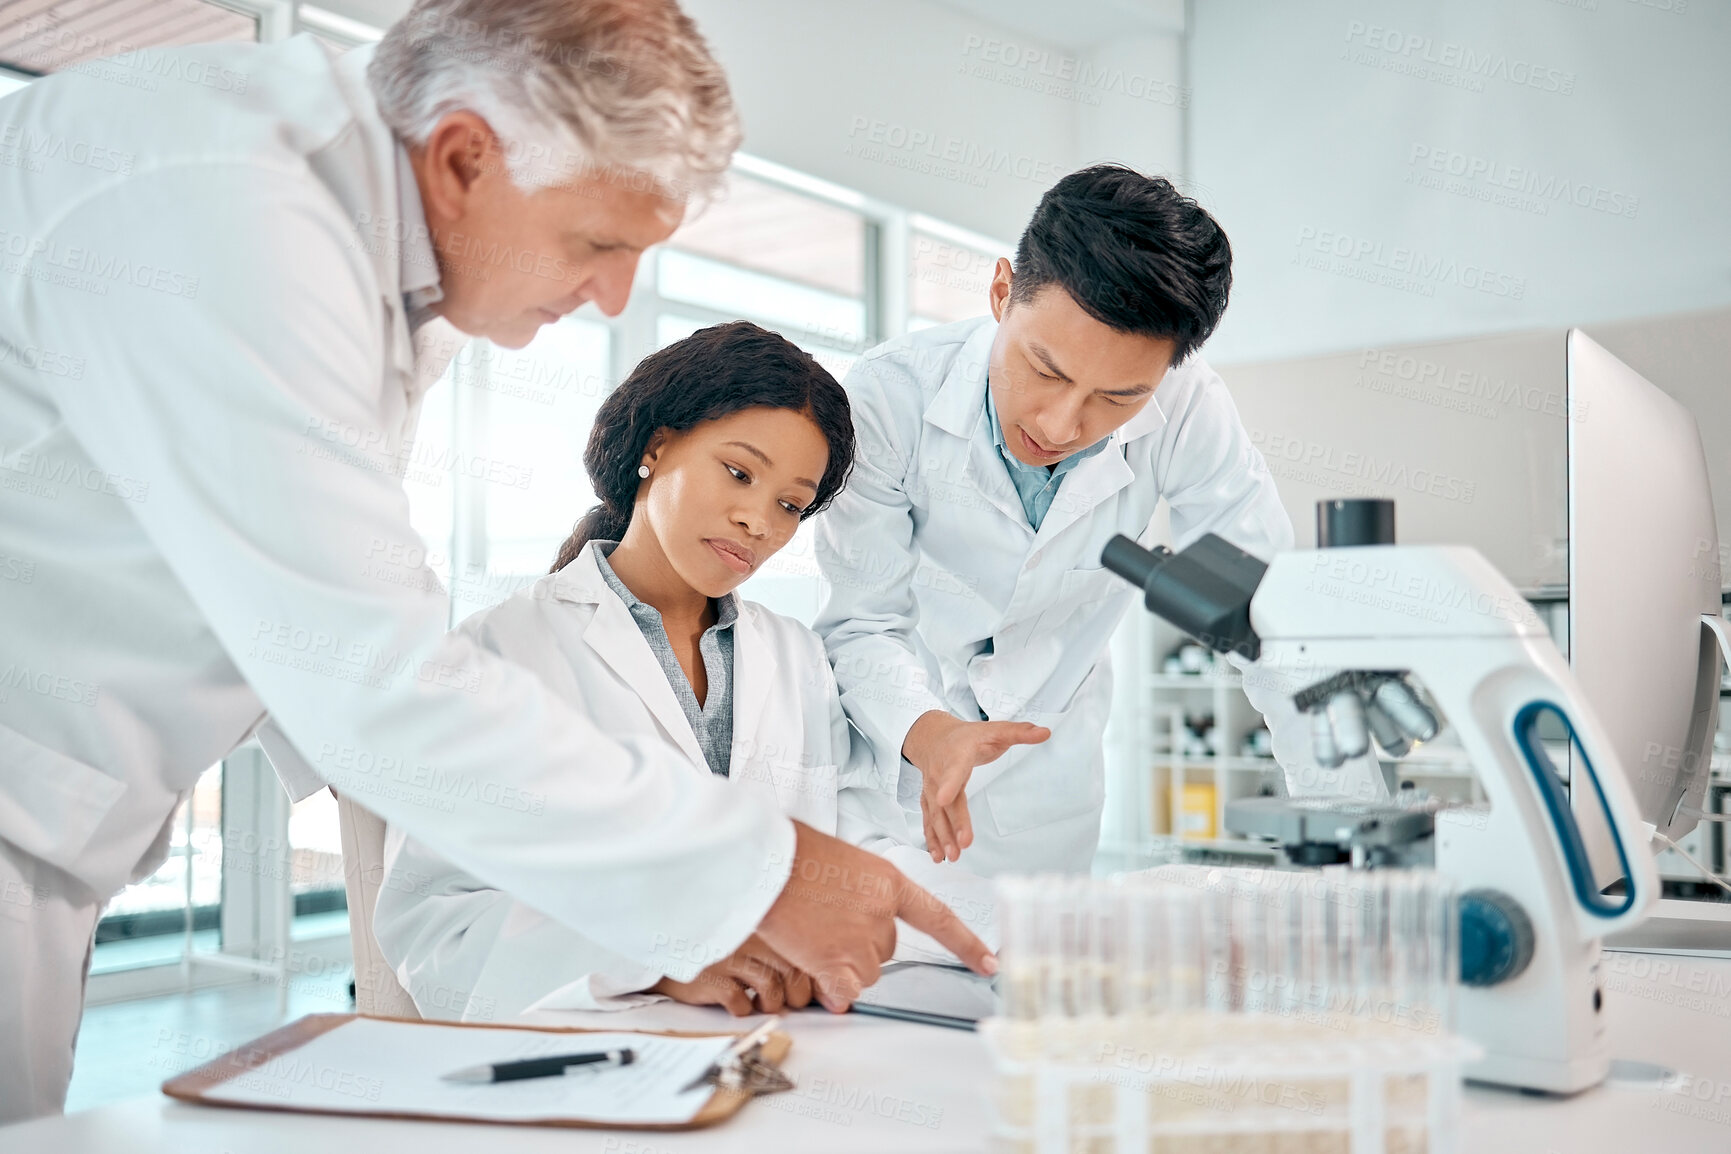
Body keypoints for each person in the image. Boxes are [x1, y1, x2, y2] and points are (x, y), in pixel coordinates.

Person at [0, 0, 985, 1122]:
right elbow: (368, 676)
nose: (614, 297)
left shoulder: (358, 245)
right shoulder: (229, 212)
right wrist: (755, 872)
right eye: (597, 243)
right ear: (466, 157)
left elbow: (332, 620)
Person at [821, 165, 1317, 877]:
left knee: (1033, 978)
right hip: (890, 769)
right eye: (1045, 370)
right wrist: (925, 732)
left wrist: (1338, 808)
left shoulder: (1188, 410)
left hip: (1040, 793)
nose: (1060, 424)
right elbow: (860, 623)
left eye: (1117, 398)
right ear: (1000, 292)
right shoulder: (885, 398)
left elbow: (1270, 617)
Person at [372, 322, 857, 1020]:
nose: (758, 520)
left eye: (789, 504)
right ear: (656, 448)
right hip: (588, 1055)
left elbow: (826, 863)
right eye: (739, 472)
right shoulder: (502, 649)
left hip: (782, 1039)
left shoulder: (797, 658)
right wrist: (656, 963)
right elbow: (438, 929)